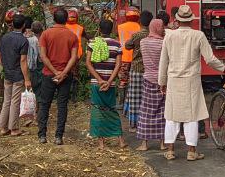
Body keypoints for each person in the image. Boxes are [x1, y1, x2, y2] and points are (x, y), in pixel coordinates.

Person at [159, 4, 225, 161]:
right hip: (192, 81)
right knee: (192, 115)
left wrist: (162, 81)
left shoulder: (169, 36)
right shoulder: (199, 35)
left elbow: (164, 61)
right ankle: (191, 151)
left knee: (172, 115)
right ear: (191, 20)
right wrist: (222, 68)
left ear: (177, 20)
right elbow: (209, 59)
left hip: (174, 80)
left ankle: (170, 150)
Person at [37, 8, 79, 145]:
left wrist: (55, 72)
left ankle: (42, 135)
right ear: (66, 19)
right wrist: (64, 72)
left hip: (48, 74)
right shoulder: (72, 36)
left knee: (44, 105)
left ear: (54, 19)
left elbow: (43, 56)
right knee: (62, 106)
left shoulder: (46, 34)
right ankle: (58, 136)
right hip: (66, 76)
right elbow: (74, 57)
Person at [86, 19, 125, 148]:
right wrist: (109, 81)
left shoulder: (92, 43)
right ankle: (120, 140)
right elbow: (118, 64)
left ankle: (101, 143)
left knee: (98, 110)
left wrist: (99, 80)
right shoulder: (117, 44)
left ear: (100, 29)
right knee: (112, 110)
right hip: (111, 84)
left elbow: (88, 63)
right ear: (112, 29)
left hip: (96, 83)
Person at [0, 14, 32, 137]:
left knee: (7, 100)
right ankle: (14, 128)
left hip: (7, 73)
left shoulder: (5, 37)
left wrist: (2, 65)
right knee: (15, 101)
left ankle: (3, 127)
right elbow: (23, 61)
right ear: (23, 26)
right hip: (17, 75)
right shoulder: (23, 40)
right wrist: (27, 79)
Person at [136, 18, 167, 151]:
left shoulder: (143, 42)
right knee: (162, 112)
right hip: (162, 80)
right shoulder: (164, 43)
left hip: (148, 78)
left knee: (146, 111)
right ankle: (162, 143)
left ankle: (144, 143)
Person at [123, 10, 153, 131]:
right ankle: (147, 121)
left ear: (140, 21)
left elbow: (127, 45)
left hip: (136, 69)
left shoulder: (136, 35)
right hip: (150, 70)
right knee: (147, 97)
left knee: (135, 97)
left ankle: (133, 124)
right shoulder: (154, 35)